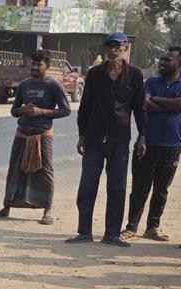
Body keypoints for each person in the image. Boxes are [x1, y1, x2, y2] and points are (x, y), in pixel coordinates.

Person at [68, 32, 147, 247]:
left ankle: (112, 234)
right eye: (109, 46)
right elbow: (85, 106)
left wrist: (143, 136)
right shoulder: (95, 73)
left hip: (120, 139)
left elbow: (140, 108)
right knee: (87, 186)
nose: (113, 49)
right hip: (93, 138)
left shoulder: (135, 74)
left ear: (125, 48)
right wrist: (81, 135)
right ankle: (84, 232)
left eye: (117, 46)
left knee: (117, 187)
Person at [0, 49, 72, 225]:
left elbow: (65, 110)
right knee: (14, 171)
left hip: (42, 136)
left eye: (38, 64)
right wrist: (22, 110)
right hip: (22, 135)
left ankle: (47, 210)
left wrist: (41, 112)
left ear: (47, 66)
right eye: (32, 64)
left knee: (45, 172)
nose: (34, 67)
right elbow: (14, 110)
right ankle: (6, 207)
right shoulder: (24, 85)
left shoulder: (54, 85)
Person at [122, 47, 181, 242]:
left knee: (161, 189)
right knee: (139, 188)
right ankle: (131, 227)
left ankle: (152, 227)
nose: (163, 62)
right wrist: (170, 103)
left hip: (172, 146)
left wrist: (157, 100)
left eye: (168, 59)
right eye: (162, 58)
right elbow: (144, 104)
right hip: (145, 142)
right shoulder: (152, 82)